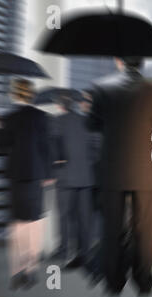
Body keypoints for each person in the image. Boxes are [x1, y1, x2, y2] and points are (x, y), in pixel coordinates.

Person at [88, 57, 152, 296]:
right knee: (144, 230)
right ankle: (143, 280)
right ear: (143, 62)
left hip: (112, 171)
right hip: (147, 172)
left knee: (112, 228)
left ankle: (114, 282)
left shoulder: (101, 88)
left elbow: (92, 124)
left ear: (119, 62)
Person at [0, 78, 54, 290]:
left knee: (16, 224)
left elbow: (1, 146)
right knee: (34, 223)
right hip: (37, 175)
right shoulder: (42, 117)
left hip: (16, 176)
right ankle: (30, 271)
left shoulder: (8, 118)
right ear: (31, 95)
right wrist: (49, 174)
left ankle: (15, 272)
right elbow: (47, 147)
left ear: (14, 94)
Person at [51, 94, 98, 270]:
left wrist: (58, 162)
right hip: (86, 178)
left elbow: (53, 147)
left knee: (64, 217)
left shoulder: (57, 121)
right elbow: (96, 146)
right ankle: (85, 253)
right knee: (84, 217)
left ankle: (64, 250)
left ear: (60, 106)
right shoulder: (87, 120)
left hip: (65, 178)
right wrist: (87, 164)